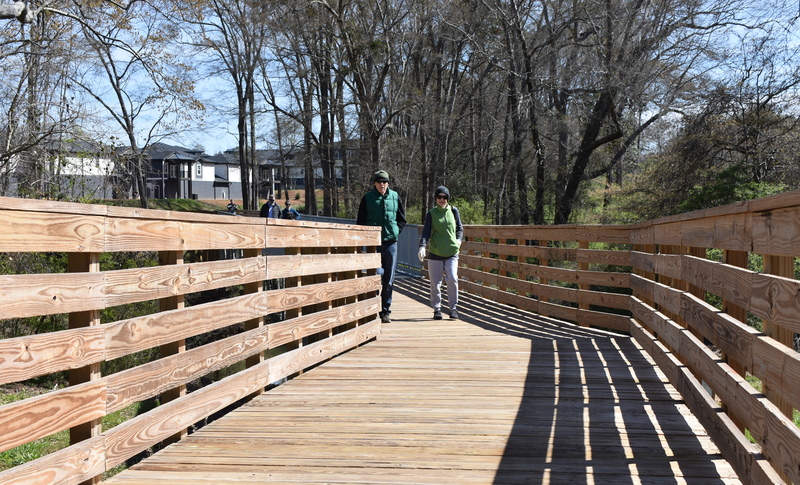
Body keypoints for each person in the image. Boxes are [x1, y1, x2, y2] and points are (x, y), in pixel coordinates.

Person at [357, 170, 406, 323]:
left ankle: (385, 311)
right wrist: (364, 241)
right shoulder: (367, 198)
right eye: (379, 182)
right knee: (375, 276)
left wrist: (396, 231)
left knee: (389, 279)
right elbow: (360, 222)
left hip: (391, 243)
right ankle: (372, 309)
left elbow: (402, 219)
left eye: (385, 182)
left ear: (388, 184)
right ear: (374, 183)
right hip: (374, 244)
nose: (382, 184)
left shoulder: (395, 197)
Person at [418, 186, 463, 320]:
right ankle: (437, 308)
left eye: (444, 197)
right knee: (435, 283)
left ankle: (453, 308)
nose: (442, 200)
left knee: (453, 279)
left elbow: (460, 228)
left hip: (452, 252)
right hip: (435, 253)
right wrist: (422, 246)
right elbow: (426, 232)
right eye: (439, 197)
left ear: (448, 199)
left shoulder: (454, 211)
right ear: (436, 199)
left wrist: (459, 240)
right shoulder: (431, 213)